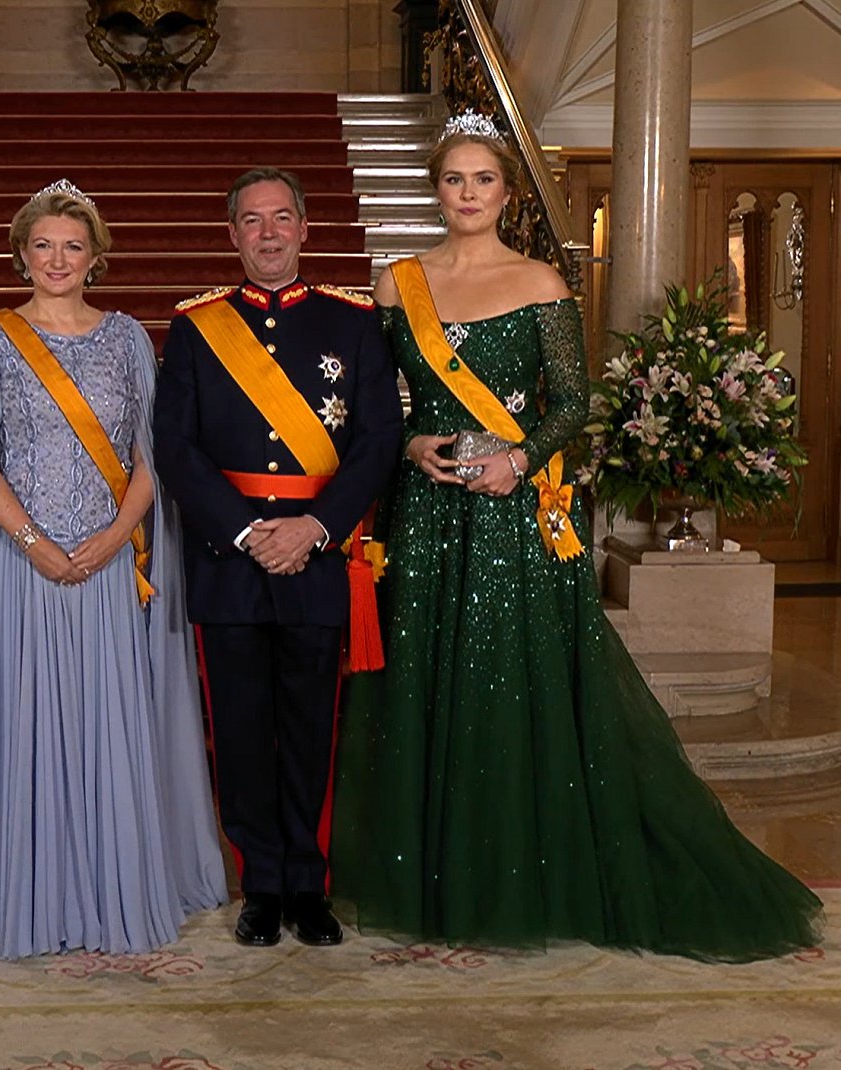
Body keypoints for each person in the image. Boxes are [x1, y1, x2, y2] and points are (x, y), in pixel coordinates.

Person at [329, 110, 823, 961]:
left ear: (507, 194)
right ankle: (436, 873)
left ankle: (523, 870)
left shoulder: (541, 282)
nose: (468, 194)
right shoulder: (394, 283)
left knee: (508, 682)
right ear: (436, 190)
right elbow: (377, 406)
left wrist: (518, 462)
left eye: (484, 180)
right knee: (428, 678)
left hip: (512, 517)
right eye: (454, 180)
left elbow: (574, 403)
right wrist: (411, 445)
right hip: (428, 510)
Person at [0, 181, 227, 959]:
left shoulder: (128, 340)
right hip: (20, 568)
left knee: (107, 733)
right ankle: (27, 901)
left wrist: (116, 535)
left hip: (107, 567)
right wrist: (34, 541)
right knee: (26, 730)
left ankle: (109, 893)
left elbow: (152, 457)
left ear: (96, 255)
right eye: (43, 246)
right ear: (21, 253)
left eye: (72, 246)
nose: (57, 260)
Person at [153, 168, 403, 948]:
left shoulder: (352, 322)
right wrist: (245, 532)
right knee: (239, 729)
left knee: (309, 728)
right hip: (229, 561)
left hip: (318, 558)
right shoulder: (197, 326)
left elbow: (378, 441)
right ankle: (261, 882)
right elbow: (174, 447)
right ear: (233, 235)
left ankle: (308, 882)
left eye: (281, 218)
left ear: (304, 228)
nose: (268, 234)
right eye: (253, 221)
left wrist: (316, 527)